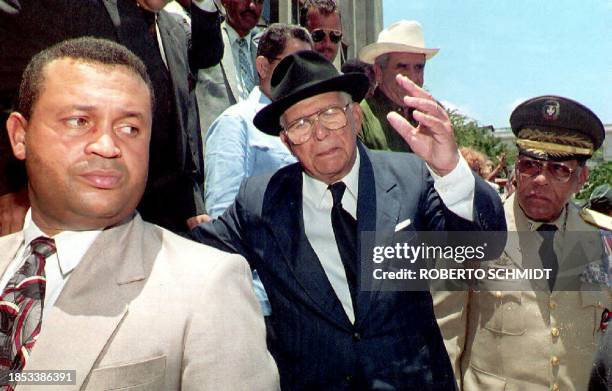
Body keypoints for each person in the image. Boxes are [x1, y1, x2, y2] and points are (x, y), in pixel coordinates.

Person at [191, 50, 505, 390]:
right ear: (285, 141)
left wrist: (451, 172)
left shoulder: (411, 178)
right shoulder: (260, 201)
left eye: (330, 114)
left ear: (355, 116)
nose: (320, 134)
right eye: (300, 124)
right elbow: (186, 259)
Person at [0, 37, 278, 390]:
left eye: (130, 128)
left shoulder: (207, 285)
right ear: (19, 136)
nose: (107, 145)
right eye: (79, 121)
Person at [0, 0, 224, 235]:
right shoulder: (71, 8)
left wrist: (190, 205)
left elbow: (206, 59)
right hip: (73, 223)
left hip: (157, 227)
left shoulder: (175, 30)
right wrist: (10, 190)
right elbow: (8, 89)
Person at [449, 96, 610, 390]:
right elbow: (446, 340)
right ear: (515, 168)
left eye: (559, 170)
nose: (539, 179)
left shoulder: (603, 242)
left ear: (582, 178)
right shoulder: (475, 233)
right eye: (530, 165)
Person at [204, 23, 312, 218]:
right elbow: (222, 215)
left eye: (308, 67)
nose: (301, 76)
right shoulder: (235, 123)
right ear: (263, 66)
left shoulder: (311, 127)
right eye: (292, 65)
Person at [358, 20, 438, 152]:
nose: (412, 77)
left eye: (419, 67)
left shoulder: (432, 117)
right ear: (379, 72)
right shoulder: (360, 118)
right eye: (403, 67)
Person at [195, 0, 264, 138]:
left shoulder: (264, 53)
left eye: (259, 1)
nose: (252, 6)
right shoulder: (207, 43)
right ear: (224, 1)